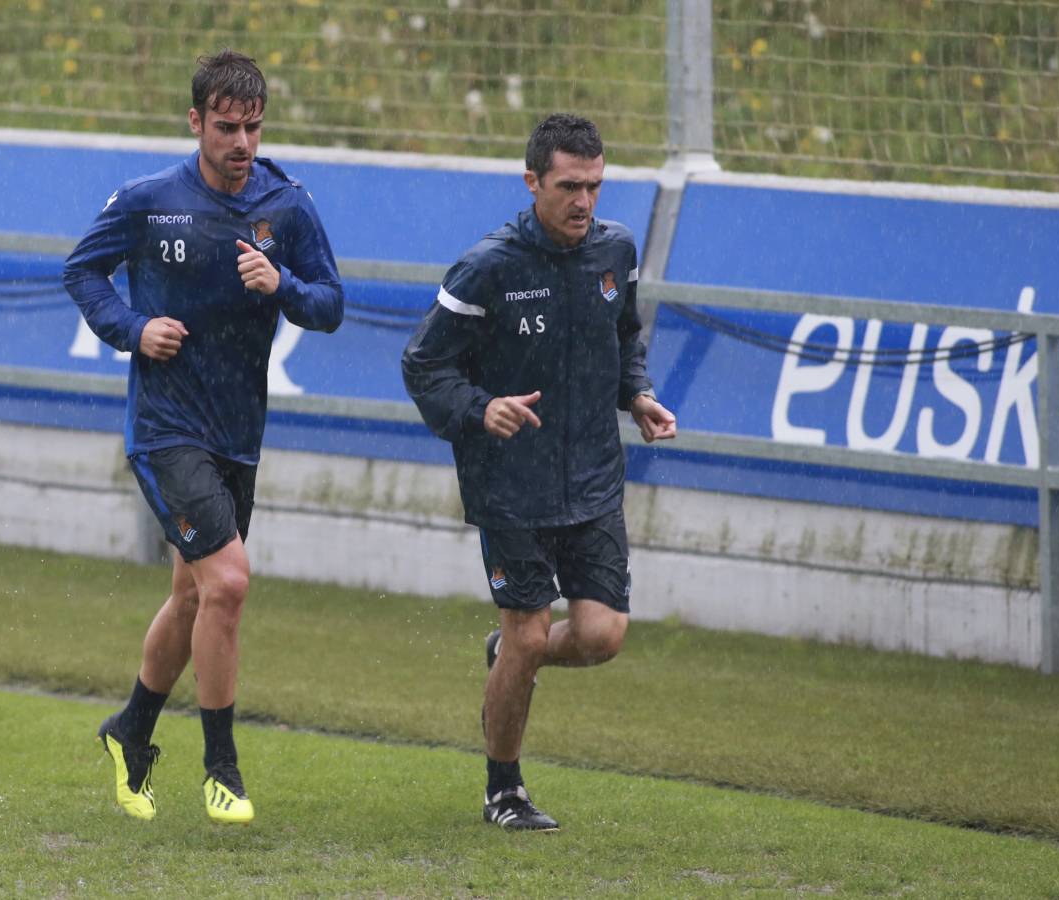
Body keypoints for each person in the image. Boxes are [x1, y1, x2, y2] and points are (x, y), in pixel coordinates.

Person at [63, 49, 343, 825]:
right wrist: (132, 327)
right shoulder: (151, 201)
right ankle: (222, 767)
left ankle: (129, 732)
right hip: (165, 429)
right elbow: (82, 271)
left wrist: (281, 285)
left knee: (191, 596)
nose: (241, 142)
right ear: (195, 123)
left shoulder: (286, 207)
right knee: (228, 584)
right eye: (226, 127)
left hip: (238, 437)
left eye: (253, 127)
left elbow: (329, 305)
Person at [402, 113, 676, 831]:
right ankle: (504, 791)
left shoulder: (614, 250)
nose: (582, 202)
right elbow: (423, 365)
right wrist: (478, 407)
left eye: (593, 185)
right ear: (532, 183)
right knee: (528, 633)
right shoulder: (487, 267)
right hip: (510, 486)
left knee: (601, 636)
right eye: (567, 186)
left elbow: (622, 337)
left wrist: (637, 396)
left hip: (591, 478)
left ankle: (509, 660)